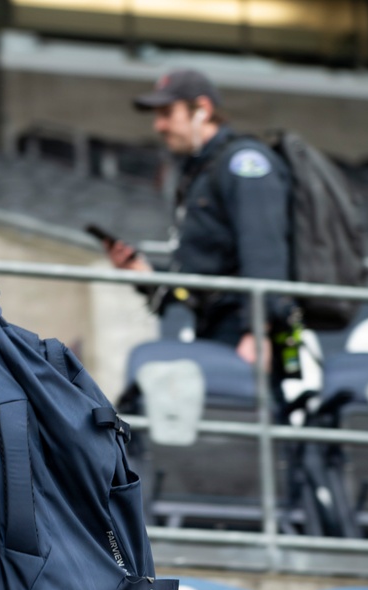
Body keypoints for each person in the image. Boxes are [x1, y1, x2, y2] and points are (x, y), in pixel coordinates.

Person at [106, 68, 294, 367]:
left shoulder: (244, 163)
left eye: (167, 113)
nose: (159, 125)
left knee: (246, 412)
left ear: (202, 110)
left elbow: (264, 251)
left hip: (244, 329)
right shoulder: (202, 169)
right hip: (215, 324)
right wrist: (147, 273)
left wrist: (258, 331)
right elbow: (206, 264)